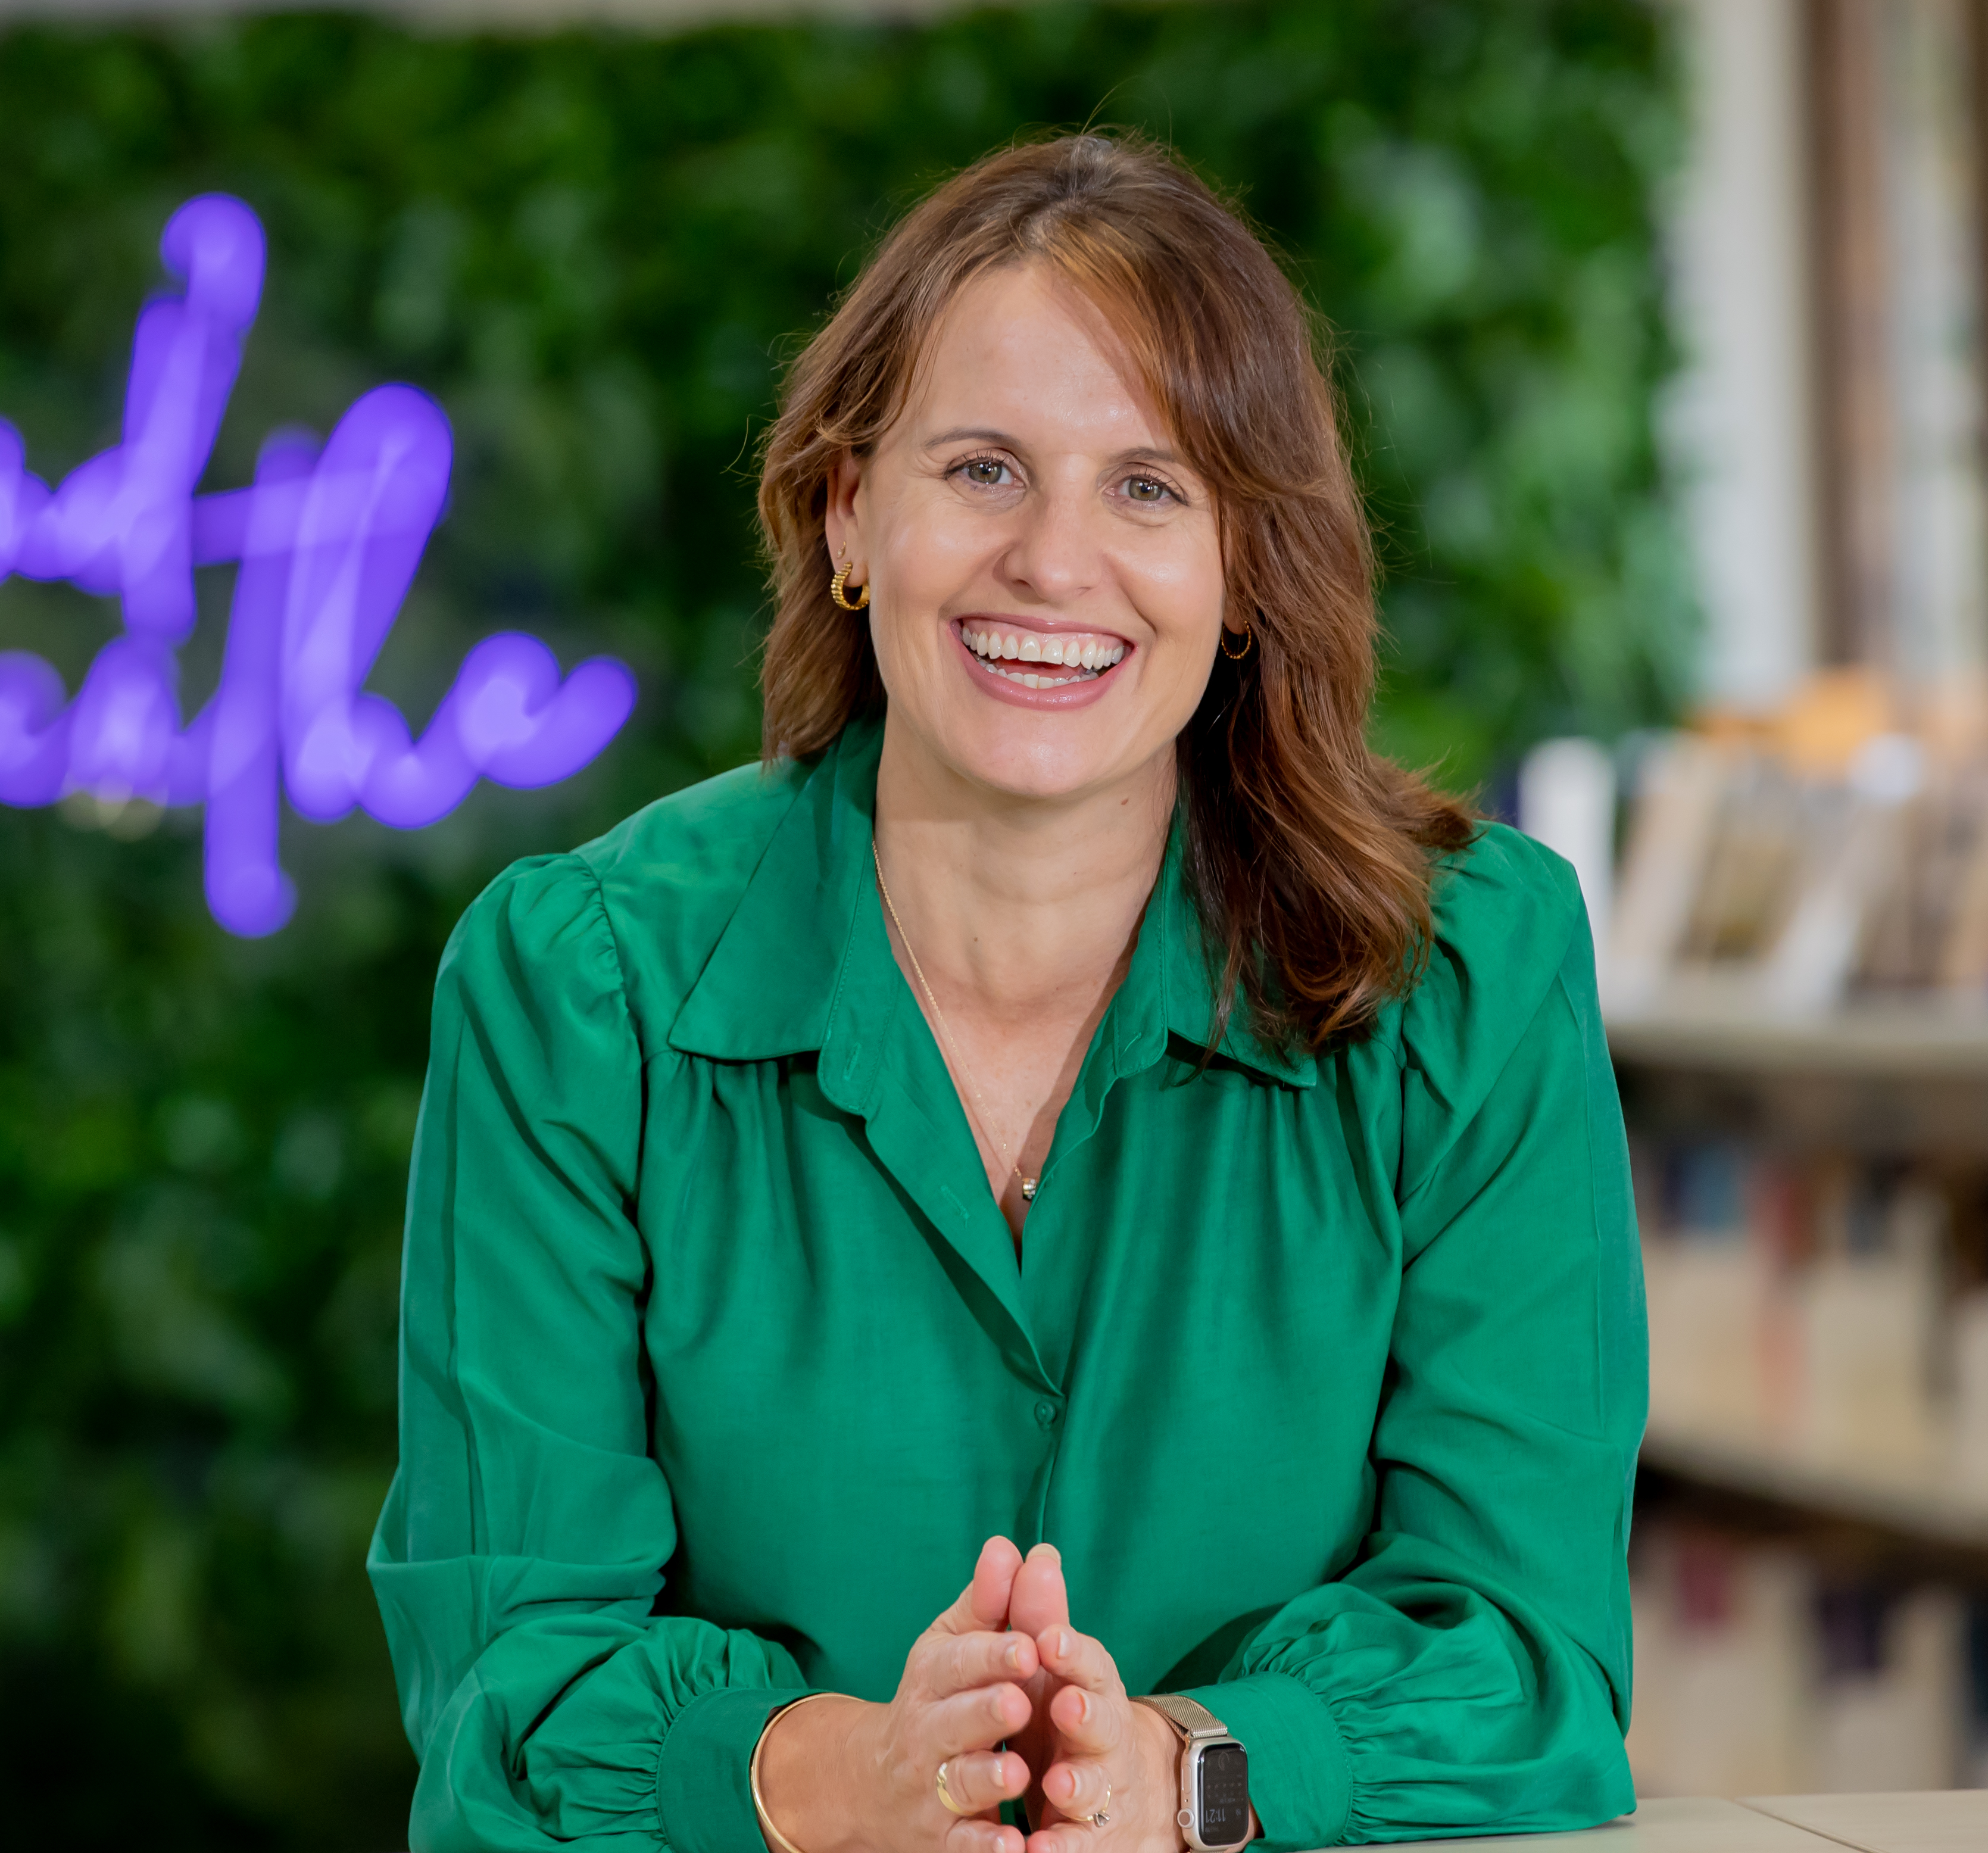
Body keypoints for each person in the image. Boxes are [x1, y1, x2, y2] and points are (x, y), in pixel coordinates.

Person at [370, 133, 1644, 1853]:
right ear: (845, 510)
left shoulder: (1466, 971)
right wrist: (858, 1783)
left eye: (1148, 487)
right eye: (980, 469)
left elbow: (1530, 1656)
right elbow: (501, 1688)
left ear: (1244, 568)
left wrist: (1177, 1767)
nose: (1054, 562)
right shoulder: (573, 987)